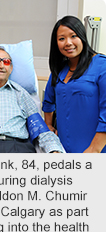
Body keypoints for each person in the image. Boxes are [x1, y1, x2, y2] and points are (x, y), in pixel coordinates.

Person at [42, 15, 106, 153]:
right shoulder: (59, 70)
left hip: (94, 149)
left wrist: (94, 149)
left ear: (82, 37)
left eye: (73, 36)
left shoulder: (101, 65)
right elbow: (48, 101)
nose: (68, 43)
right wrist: (48, 124)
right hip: (63, 148)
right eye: (61, 39)